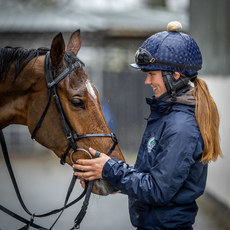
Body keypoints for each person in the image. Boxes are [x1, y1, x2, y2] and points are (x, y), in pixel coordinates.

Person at [73, 21, 222, 230]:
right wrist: (104, 176)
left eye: (152, 74)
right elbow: (149, 175)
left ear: (175, 76)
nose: (147, 81)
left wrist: (109, 168)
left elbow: (158, 190)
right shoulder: (167, 116)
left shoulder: (181, 128)